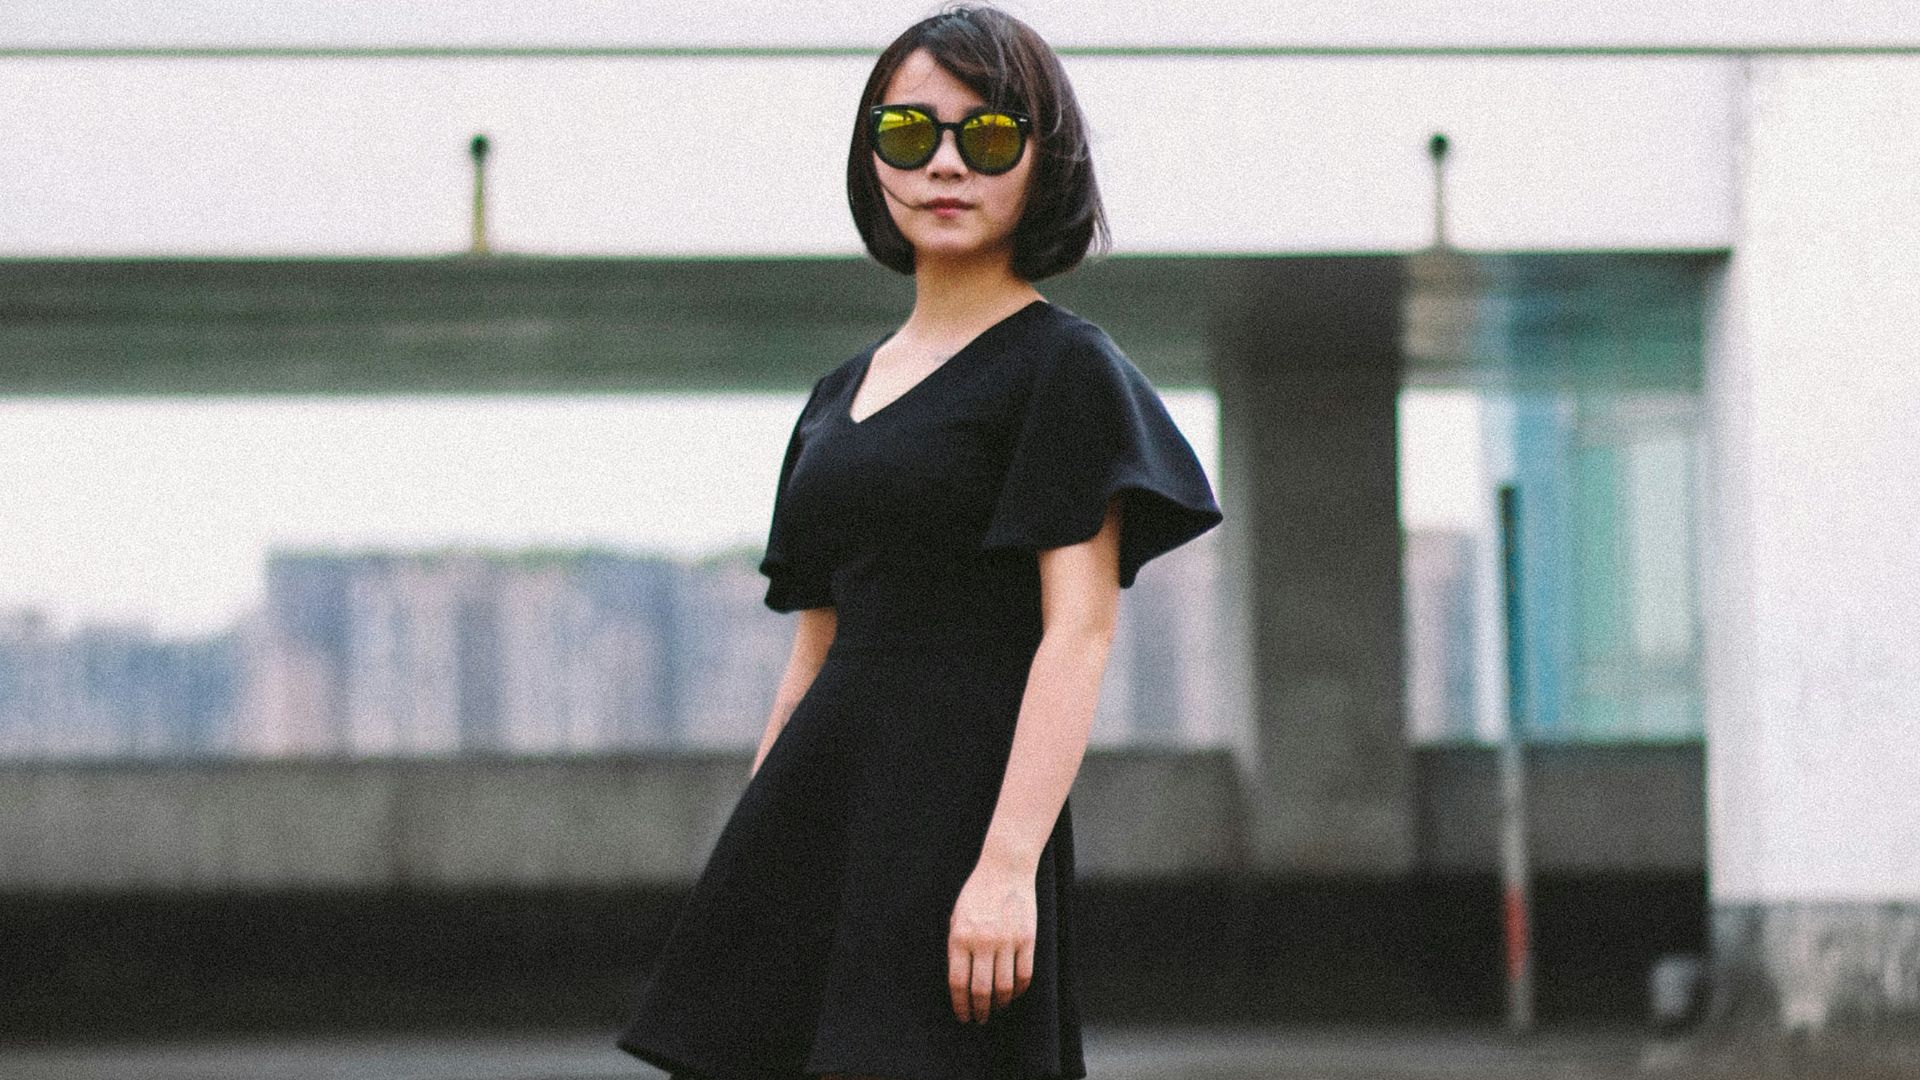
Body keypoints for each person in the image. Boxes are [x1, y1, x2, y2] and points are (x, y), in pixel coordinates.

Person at [615, 6, 1221, 1079]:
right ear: (874, 158)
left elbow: (1077, 635)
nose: (946, 165)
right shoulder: (834, 395)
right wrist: (752, 856)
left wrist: (1006, 868)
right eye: (910, 134)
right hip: (819, 816)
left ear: (1043, 162)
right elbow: (813, 654)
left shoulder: (1062, 368)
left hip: (958, 819)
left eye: (987, 137)